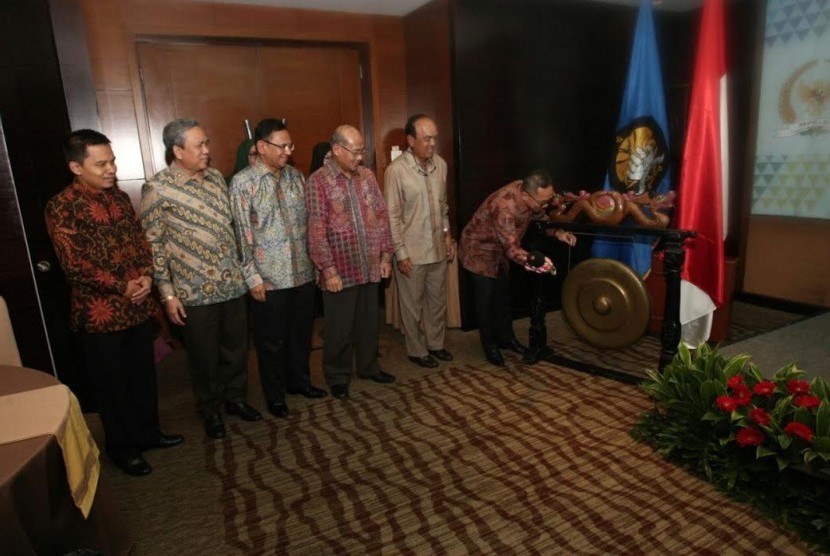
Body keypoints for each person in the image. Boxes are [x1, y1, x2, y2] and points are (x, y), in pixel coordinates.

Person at [45, 129, 183, 476]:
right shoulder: (62, 207)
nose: (111, 169)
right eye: (101, 163)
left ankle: (148, 434)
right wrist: (122, 287)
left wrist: (147, 277)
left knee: (142, 378)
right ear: (76, 167)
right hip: (99, 317)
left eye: (113, 161)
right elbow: (74, 265)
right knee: (112, 386)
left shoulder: (119, 198)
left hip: (136, 307)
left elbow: (140, 243)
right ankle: (122, 448)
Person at [140, 118, 262, 440]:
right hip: (194, 294)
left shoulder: (217, 181)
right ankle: (210, 410)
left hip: (232, 285)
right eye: (200, 145)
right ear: (178, 151)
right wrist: (167, 294)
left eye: (207, 143)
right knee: (204, 358)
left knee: (237, 351)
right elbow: (154, 245)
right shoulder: (158, 188)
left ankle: (235, 399)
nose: (207, 150)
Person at [230, 118, 328, 418]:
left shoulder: (295, 177)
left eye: (290, 145)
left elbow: (307, 225)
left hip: (301, 274)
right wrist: (252, 277)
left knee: (301, 334)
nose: (288, 150)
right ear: (261, 147)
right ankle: (274, 394)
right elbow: (242, 236)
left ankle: (300, 382)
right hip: (268, 280)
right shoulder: (243, 183)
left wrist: (315, 267)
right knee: (271, 342)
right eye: (281, 145)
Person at [306, 125, 396, 399]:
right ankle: (337, 375)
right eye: (355, 151)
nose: (360, 157)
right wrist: (328, 270)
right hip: (339, 271)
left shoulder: (367, 176)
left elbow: (381, 216)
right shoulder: (318, 181)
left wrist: (386, 255)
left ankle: (369, 366)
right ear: (337, 150)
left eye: (362, 151)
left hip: (369, 265)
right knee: (339, 329)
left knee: (369, 323)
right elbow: (316, 229)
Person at [459, 170, 577, 366]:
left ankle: (507, 339)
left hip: (501, 251)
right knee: (486, 301)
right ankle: (490, 347)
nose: (545, 205)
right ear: (525, 195)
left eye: (549, 199)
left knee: (503, 297)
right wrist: (538, 262)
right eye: (543, 202)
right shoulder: (504, 206)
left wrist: (557, 233)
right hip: (478, 250)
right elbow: (513, 250)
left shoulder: (532, 195)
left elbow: (540, 216)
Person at [384, 115, 454, 369]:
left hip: (437, 246)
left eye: (434, 138)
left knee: (437, 302)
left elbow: (443, 206)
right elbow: (391, 216)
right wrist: (399, 252)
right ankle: (416, 350)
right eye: (426, 139)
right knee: (412, 306)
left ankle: (436, 344)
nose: (432, 143)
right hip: (411, 252)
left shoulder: (441, 166)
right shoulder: (396, 171)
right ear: (411, 140)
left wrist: (447, 234)